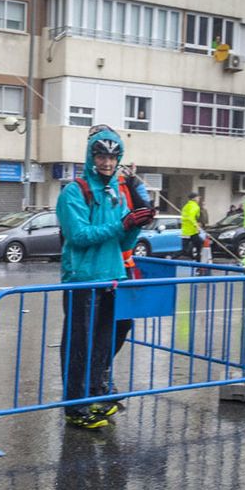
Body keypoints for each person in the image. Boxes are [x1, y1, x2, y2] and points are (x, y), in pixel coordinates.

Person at [55, 125, 153, 431]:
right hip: (83, 280)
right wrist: (122, 224)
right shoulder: (74, 191)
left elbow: (123, 243)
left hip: (113, 277)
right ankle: (75, 406)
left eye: (113, 157)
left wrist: (137, 222)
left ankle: (95, 390)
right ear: (91, 156)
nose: (107, 163)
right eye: (101, 156)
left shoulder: (114, 193)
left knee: (111, 335)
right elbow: (79, 235)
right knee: (78, 344)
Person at [180, 190, 204, 260]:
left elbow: (185, 217)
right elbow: (191, 217)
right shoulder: (194, 206)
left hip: (185, 230)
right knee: (200, 244)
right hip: (192, 231)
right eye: (198, 197)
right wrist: (196, 226)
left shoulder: (186, 206)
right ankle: (198, 260)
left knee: (184, 249)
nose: (199, 199)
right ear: (194, 198)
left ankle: (175, 258)